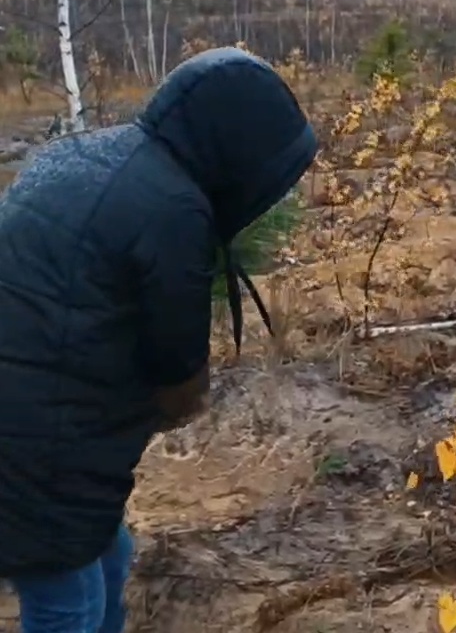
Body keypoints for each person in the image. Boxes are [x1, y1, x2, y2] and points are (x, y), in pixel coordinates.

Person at [0, 46, 317, 632]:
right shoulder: (172, 208)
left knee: (109, 556)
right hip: (38, 442)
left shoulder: (91, 152)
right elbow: (177, 367)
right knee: (67, 603)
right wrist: (179, 403)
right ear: (235, 152)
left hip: (40, 426)